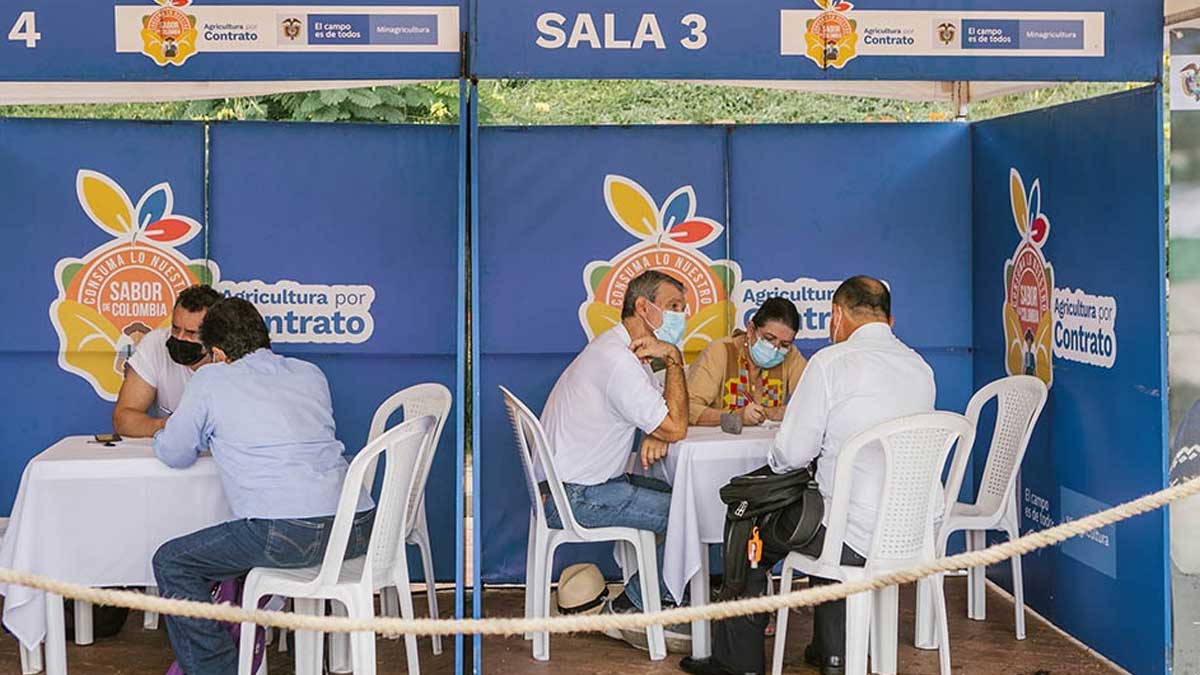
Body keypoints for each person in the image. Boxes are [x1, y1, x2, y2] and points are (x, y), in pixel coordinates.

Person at [681, 276, 936, 675]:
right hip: (906, 533)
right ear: (890, 319)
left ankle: (738, 663)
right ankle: (833, 652)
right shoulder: (921, 369)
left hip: (845, 538)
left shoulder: (831, 363)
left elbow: (791, 455)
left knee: (748, 516)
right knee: (833, 512)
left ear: (836, 316)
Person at [151, 298, 375, 675]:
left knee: (172, 562)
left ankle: (219, 669)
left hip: (285, 534)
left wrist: (171, 431)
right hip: (357, 526)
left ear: (217, 352)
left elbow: (175, 453)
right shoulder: (309, 373)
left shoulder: (211, 378)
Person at [540, 269, 691, 651]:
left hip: (575, 486)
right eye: (674, 307)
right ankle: (631, 604)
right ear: (644, 307)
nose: (682, 316)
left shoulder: (623, 351)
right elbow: (676, 425)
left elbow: (666, 418)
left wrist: (657, 429)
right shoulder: (618, 362)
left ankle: (658, 596)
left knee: (686, 497)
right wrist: (673, 359)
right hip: (576, 496)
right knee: (692, 513)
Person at [112, 284, 222, 437]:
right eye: (175, 329)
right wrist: (169, 425)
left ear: (215, 335)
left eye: (191, 333)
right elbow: (123, 419)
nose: (180, 338)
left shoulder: (235, 354)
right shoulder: (156, 343)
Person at [687, 297, 806, 427]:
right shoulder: (720, 351)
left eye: (784, 344)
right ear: (750, 329)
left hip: (769, 445)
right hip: (719, 444)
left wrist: (773, 413)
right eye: (769, 338)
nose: (775, 348)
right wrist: (735, 416)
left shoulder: (791, 355)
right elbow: (689, 409)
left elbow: (811, 401)